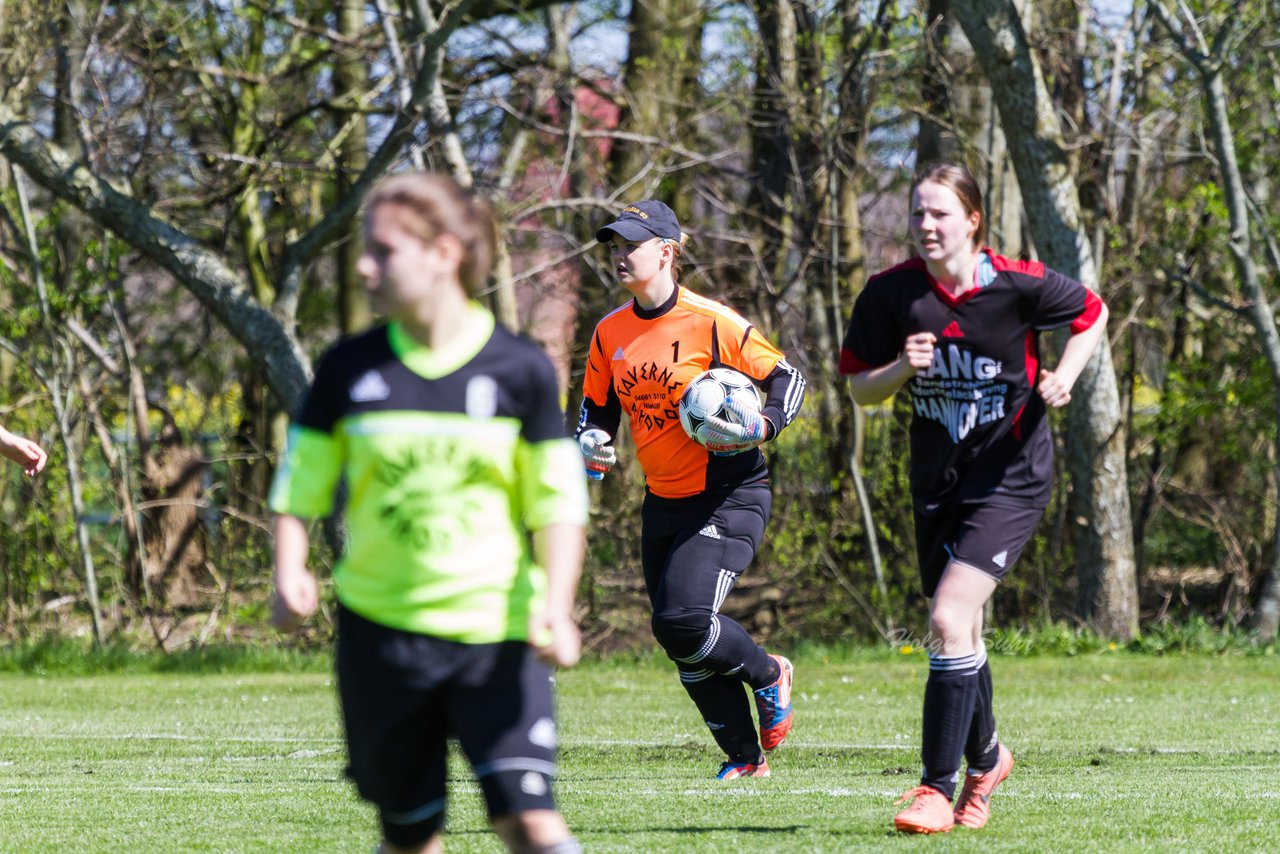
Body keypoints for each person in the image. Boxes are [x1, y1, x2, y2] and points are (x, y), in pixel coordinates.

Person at [269, 172, 589, 854]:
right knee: (412, 838)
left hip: (496, 636)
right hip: (382, 640)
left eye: (382, 250)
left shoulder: (519, 369)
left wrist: (557, 605)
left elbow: (557, 501)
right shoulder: (348, 370)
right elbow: (299, 485)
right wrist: (289, 567)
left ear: (443, 253)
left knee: (531, 822)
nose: (364, 265)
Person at [838, 163, 1108, 833]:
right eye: (917, 214)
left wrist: (1064, 377)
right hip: (937, 482)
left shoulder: (1016, 285)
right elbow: (859, 391)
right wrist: (902, 367)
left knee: (947, 619)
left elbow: (1092, 313)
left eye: (940, 214)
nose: (926, 226)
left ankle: (935, 787)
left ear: (973, 220)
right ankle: (987, 760)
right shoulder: (889, 294)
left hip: (1011, 478)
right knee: (962, 633)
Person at [576, 200, 807, 780]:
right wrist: (591, 444)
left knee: (681, 620)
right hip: (663, 503)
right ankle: (745, 759)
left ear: (668, 251)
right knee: (681, 639)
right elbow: (593, 413)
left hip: (731, 494)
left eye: (631, 243)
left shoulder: (710, 322)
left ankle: (767, 673)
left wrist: (766, 424)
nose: (620, 254)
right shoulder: (609, 333)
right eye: (614, 245)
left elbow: (788, 379)